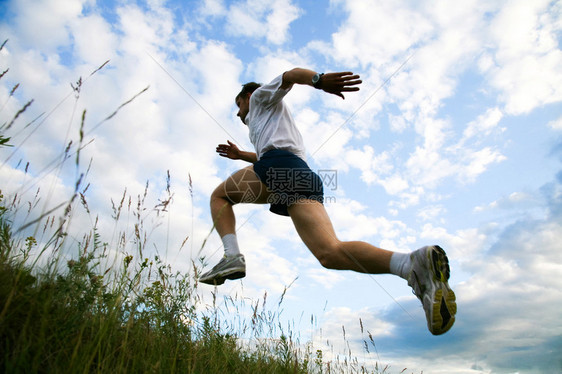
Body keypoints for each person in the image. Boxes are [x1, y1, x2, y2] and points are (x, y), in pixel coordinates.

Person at [199, 68, 457, 335]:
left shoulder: (259, 98)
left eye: (238, 105)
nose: (239, 112)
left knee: (220, 196)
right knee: (329, 253)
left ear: (248, 95)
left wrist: (318, 80)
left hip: (279, 168)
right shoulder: (267, 121)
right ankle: (411, 265)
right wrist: (242, 155)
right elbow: (271, 151)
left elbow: (288, 76)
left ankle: (232, 256)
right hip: (299, 174)